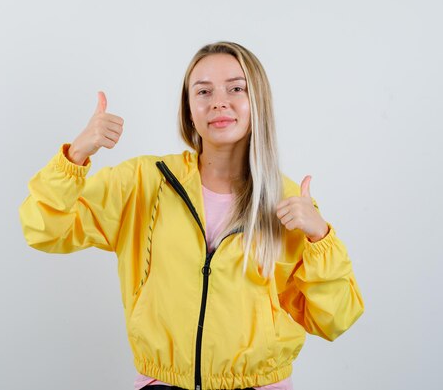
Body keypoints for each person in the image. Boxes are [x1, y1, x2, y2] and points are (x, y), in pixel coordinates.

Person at [18, 41, 364, 390]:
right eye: (203, 91)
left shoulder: (286, 202)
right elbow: (44, 229)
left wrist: (320, 236)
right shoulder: (144, 182)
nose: (218, 101)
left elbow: (334, 318)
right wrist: (77, 154)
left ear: (257, 100)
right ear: (188, 108)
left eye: (236, 88)